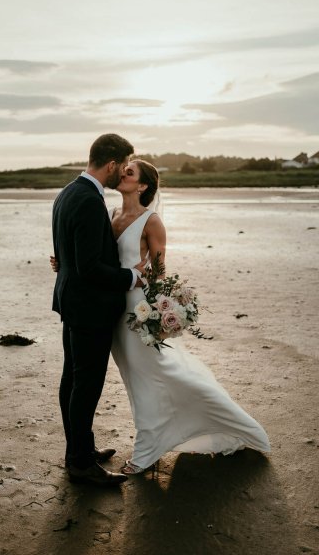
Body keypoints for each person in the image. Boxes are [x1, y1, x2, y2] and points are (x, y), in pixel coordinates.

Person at [52, 158, 271, 477]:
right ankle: (143, 441)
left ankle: (149, 450)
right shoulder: (112, 213)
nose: (122, 175)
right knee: (135, 377)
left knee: (150, 374)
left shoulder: (151, 222)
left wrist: (160, 313)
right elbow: (94, 257)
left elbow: (160, 273)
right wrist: (67, 263)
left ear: (142, 186)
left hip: (137, 310)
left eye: (129, 173)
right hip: (110, 309)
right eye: (123, 170)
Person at [51, 133, 146, 486]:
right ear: (111, 164)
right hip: (89, 308)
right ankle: (80, 463)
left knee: (72, 380)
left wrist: (63, 265)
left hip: (71, 300)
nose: (121, 172)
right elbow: (90, 266)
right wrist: (130, 277)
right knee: (85, 383)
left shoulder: (67, 192)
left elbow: (68, 254)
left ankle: (81, 449)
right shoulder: (90, 201)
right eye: (121, 166)